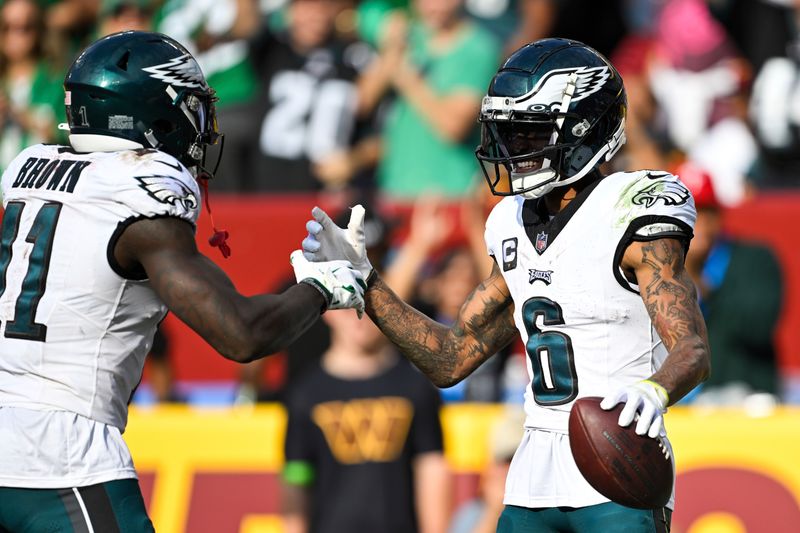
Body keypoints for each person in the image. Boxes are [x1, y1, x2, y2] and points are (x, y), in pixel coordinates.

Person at [301, 38, 711, 531]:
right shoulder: (510, 222)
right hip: (530, 480)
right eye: (509, 134)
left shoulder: (633, 206)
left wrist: (654, 390)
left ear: (584, 128)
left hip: (617, 474)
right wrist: (367, 285)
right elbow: (451, 358)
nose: (515, 150)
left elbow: (691, 349)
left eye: (530, 134)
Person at [0, 30, 366, 532]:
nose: (200, 126)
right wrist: (324, 287)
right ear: (149, 111)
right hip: (63, 455)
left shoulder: (31, 171)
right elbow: (242, 334)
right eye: (190, 107)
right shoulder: (139, 193)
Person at [281, 297, 449, 533]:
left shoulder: (414, 386)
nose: (359, 317)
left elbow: (432, 469)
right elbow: (296, 478)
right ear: (327, 311)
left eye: (368, 308)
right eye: (348, 307)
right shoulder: (305, 392)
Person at [680, 163, 782, 404]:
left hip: (742, 399)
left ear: (718, 216)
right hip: (676, 405)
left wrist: (699, 282)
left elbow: (758, 326)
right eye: (687, 213)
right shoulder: (651, 268)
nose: (698, 223)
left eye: (705, 212)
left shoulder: (754, 259)